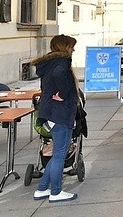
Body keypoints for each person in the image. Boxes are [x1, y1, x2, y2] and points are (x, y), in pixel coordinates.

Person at [31, 34, 80, 203]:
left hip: (50, 112)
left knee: (58, 152)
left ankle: (42, 189)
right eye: (71, 46)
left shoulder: (49, 62)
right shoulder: (62, 62)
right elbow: (60, 75)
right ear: (64, 47)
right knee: (60, 153)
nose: (73, 50)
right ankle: (56, 191)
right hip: (60, 112)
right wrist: (63, 93)